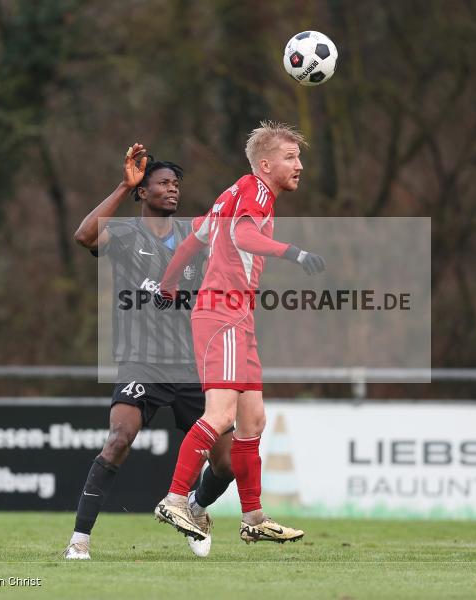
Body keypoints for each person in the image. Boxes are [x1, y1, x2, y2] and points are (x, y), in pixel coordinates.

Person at [151, 121, 325, 545]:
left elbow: (193, 240)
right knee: (222, 415)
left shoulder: (233, 193)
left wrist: (168, 285)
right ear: (266, 164)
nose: (299, 165)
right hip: (222, 314)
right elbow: (245, 236)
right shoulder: (257, 193)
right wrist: (294, 252)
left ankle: (253, 517)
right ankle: (175, 499)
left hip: (237, 316)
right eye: (290, 157)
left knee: (253, 420)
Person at [63, 143, 234, 560]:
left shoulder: (198, 236)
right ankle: (79, 541)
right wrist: (123, 185)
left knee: (230, 464)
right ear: (144, 191)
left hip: (192, 365)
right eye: (162, 183)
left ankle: (194, 509)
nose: (172, 190)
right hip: (141, 361)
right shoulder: (124, 234)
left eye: (176, 184)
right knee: (119, 440)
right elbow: (84, 235)